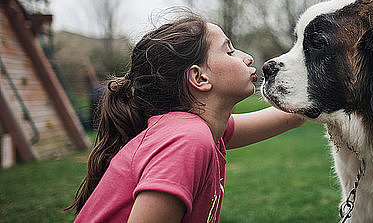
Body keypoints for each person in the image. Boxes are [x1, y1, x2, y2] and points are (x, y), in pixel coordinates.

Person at [67, 13, 305, 222]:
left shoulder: (199, 131)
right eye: (229, 50)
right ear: (199, 78)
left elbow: (292, 114)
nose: (247, 58)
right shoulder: (188, 140)